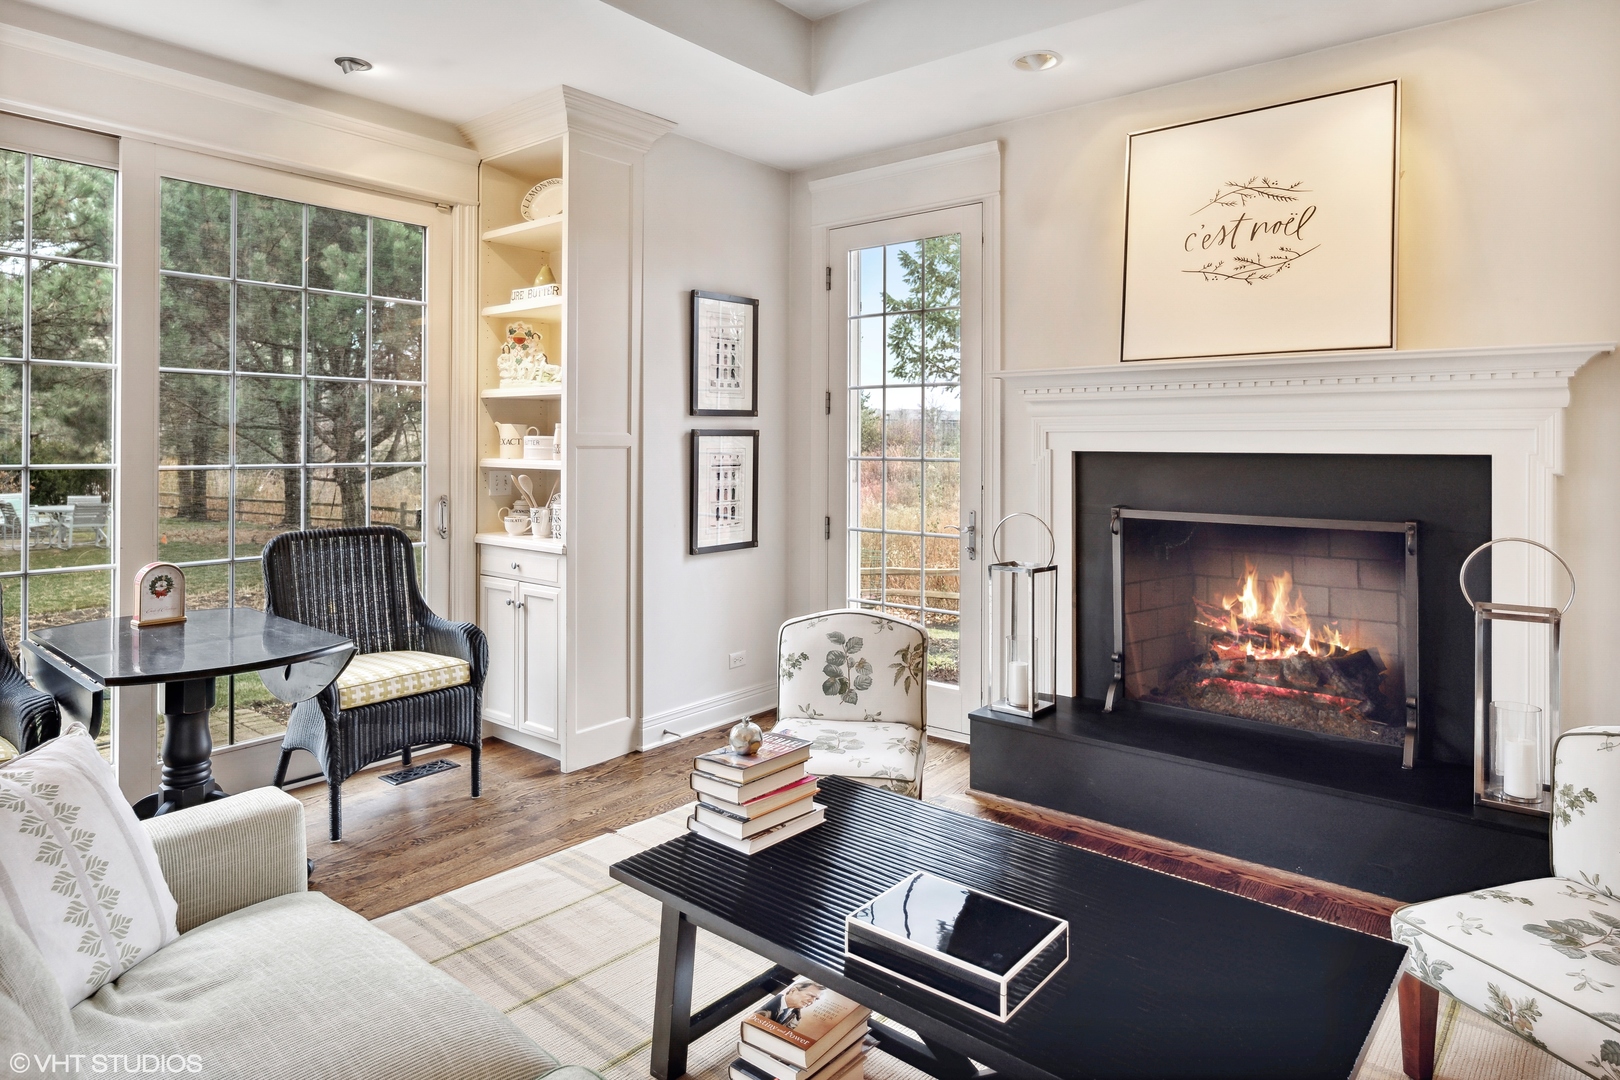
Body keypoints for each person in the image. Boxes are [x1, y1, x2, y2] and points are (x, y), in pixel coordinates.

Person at [756, 980, 825, 1029]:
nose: (812, 1001)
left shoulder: (796, 1019)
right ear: (793, 990)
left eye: (816, 999)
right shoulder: (765, 1002)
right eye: (811, 995)